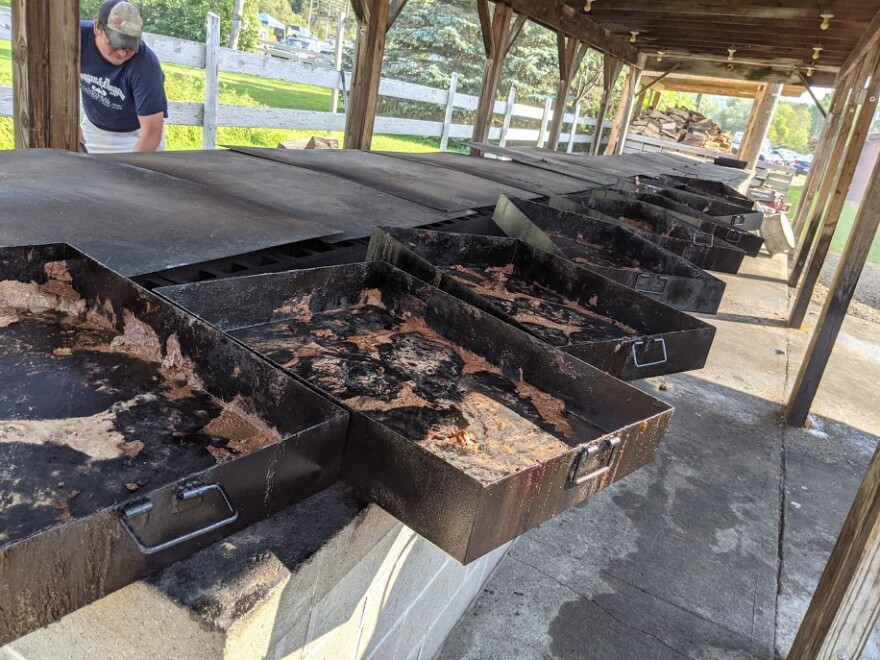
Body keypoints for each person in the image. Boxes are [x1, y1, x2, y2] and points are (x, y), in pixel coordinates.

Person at [80, 0, 168, 153]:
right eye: (115, 43)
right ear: (97, 27)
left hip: (136, 135)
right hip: (93, 131)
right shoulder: (74, 38)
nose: (122, 53)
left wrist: (131, 170)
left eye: (129, 47)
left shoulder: (146, 65)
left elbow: (151, 134)